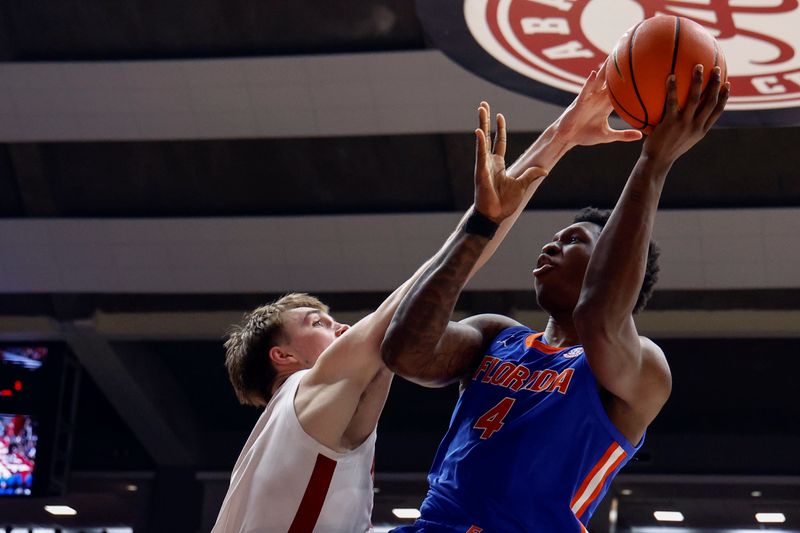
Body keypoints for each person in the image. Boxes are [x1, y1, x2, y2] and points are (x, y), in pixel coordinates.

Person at [210, 66, 643, 532]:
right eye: (315, 323)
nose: (338, 327)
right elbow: (423, 291)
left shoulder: (283, 440)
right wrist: (554, 144)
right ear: (283, 356)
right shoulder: (308, 388)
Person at [381, 65, 729, 532]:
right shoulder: (494, 335)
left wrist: (654, 161)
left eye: (572, 242)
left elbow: (600, 312)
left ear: (609, 261)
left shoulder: (642, 367)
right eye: (554, 238)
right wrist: (481, 226)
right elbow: (404, 351)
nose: (550, 245)